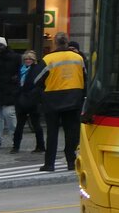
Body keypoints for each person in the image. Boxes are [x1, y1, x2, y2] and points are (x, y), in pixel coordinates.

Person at [36, 31, 85, 172]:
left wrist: (45, 90)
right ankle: (71, 161)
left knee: (52, 132)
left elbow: (36, 80)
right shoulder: (78, 58)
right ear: (67, 42)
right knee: (72, 132)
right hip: (74, 97)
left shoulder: (48, 59)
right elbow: (86, 76)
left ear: (55, 43)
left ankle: (49, 164)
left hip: (53, 99)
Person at [11, 49, 46, 155]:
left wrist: (33, 95)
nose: (27, 61)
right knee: (19, 125)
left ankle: (40, 146)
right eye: (26, 59)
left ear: (34, 60)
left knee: (36, 124)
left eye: (30, 59)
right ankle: (15, 146)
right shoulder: (20, 70)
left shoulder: (36, 69)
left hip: (33, 100)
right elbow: (17, 84)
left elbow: (39, 85)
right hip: (21, 100)